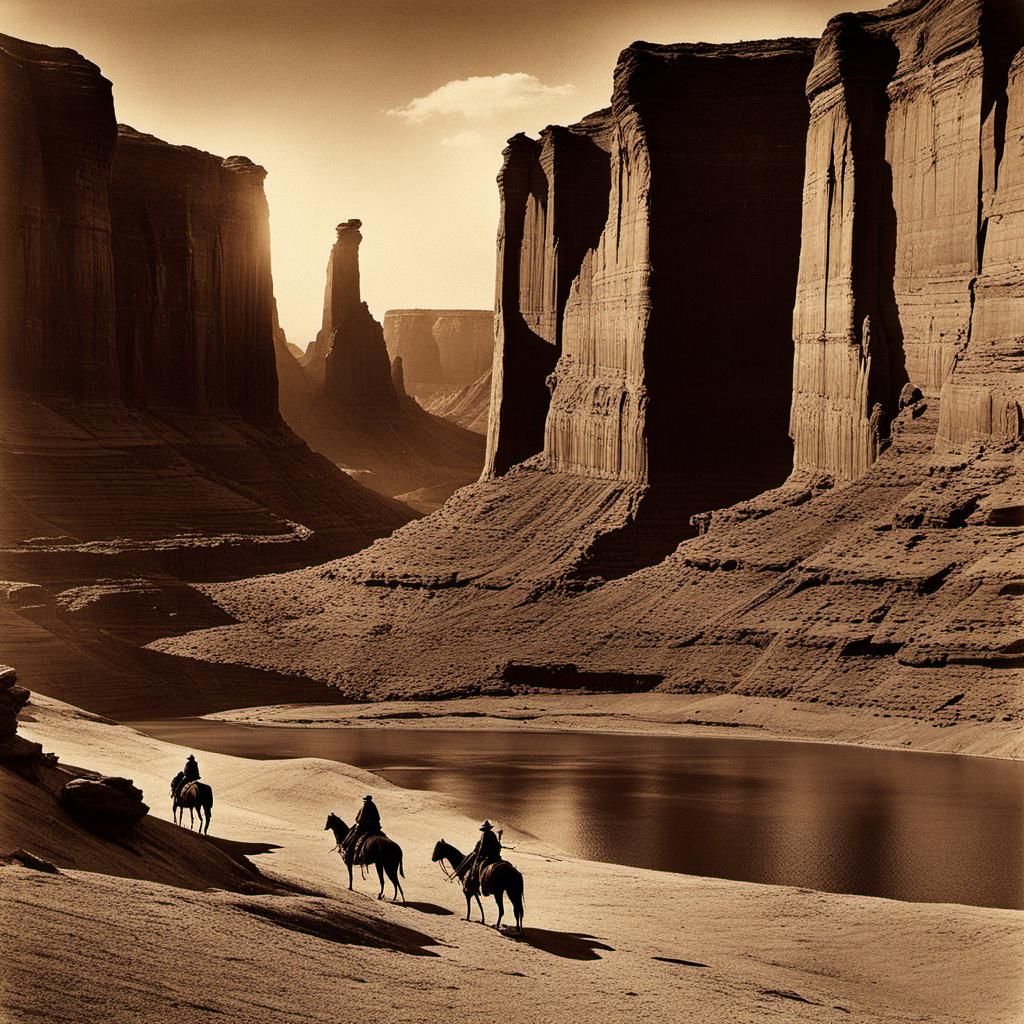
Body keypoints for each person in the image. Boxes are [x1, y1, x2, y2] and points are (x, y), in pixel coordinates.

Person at [460, 820, 502, 889]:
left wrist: (478, 856)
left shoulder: (484, 835)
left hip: (489, 857)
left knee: (476, 867)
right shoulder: (493, 834)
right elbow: (498, 845)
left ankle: (476, 882)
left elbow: (482, 847)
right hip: (496, 857)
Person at [343, 795, 382, 860]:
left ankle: (349, 851)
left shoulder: (365, 805)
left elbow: (360, 818)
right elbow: (378, 817)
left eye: (365, 800)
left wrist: (359, 822)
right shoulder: (373, 805)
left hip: (366, 827)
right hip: (375, 827)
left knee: (354, 836)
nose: (364, 801)